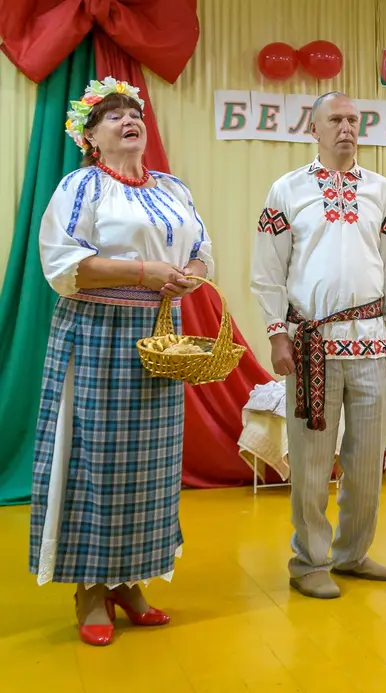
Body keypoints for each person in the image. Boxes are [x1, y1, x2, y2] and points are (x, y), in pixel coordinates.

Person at [29, 77, 212, 646]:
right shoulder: (80, 186)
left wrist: (186, 279)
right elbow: (62, 262)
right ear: (90, 137)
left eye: (134, 113)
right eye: (113, 116)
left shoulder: (171, 188)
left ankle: (130, 580)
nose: (129, 120)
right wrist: (145, 272)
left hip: (160, 333)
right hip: (98, 331)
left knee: (151, 467)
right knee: (95, 456)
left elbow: (202, 252)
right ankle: (89, 587)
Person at [250, 92, 386, 598]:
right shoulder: (287, 190)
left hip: (370, 340)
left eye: (352, 120)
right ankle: (309, 562)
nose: (346, 128)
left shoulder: (381, 191)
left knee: (368, 459)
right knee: (311, 462)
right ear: (314, 129)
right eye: (335, 120)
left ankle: (352, 553)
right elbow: (267, 270)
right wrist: (277, 333)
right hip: (311, 345)